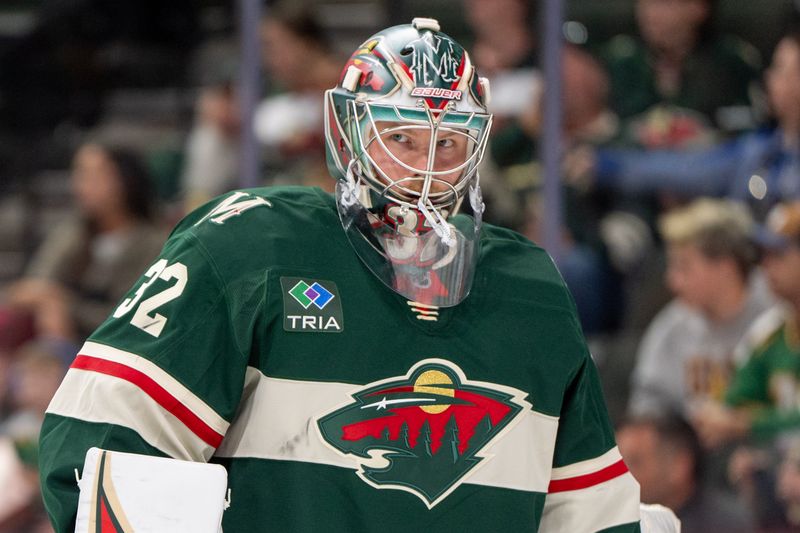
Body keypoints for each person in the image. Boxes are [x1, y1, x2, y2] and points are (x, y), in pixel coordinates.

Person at [37, 19, 641, 531]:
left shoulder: (529, 287)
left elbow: (592, 514)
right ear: (348, 134)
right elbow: (99, 446)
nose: (427, 168)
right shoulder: (249, 246)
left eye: (450, 142)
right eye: (401, 136)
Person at [588, 32, 800, 220]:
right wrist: (605, 164)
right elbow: (687, 171)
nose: (769, 78)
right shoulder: (758, 150)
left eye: (780, 69)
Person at [3, 142, 166, 350]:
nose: (82, 185)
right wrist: (50, 302)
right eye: (79, 174)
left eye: (95, 176)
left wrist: (65, 306)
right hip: (62, 345)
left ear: (126, 180)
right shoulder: (74, 232)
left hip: (121, 348)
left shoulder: (153, 242)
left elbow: (131, 318)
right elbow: (31, 287)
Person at [628, 198, 773, 418]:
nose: (672, 281)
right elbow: (647, 409)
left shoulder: (777, 312)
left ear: (725, 266)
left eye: (684, 267)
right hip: (695, 449)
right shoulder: (671, 327)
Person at [692, 201, 800, 449]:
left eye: (779, 255)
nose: (766, 266)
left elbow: (744, 421)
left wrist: (747, 425)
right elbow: (736, 399)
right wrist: (719, 417)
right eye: (765, 255)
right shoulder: (771, 332)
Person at [602, 0, 761, 148]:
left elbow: (754, 127)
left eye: (663, 3)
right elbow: (596, 126)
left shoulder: (732, 63)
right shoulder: (621, 61)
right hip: (630, 169)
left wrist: (709, 135)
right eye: (644, 2)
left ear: (698, 7)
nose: (649, 14)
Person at [616, 414, 755, 532]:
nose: (619, 475)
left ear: (679, 465)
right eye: (616, 463)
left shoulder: (725, 526)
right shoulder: (615, 522)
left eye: (634, 462)